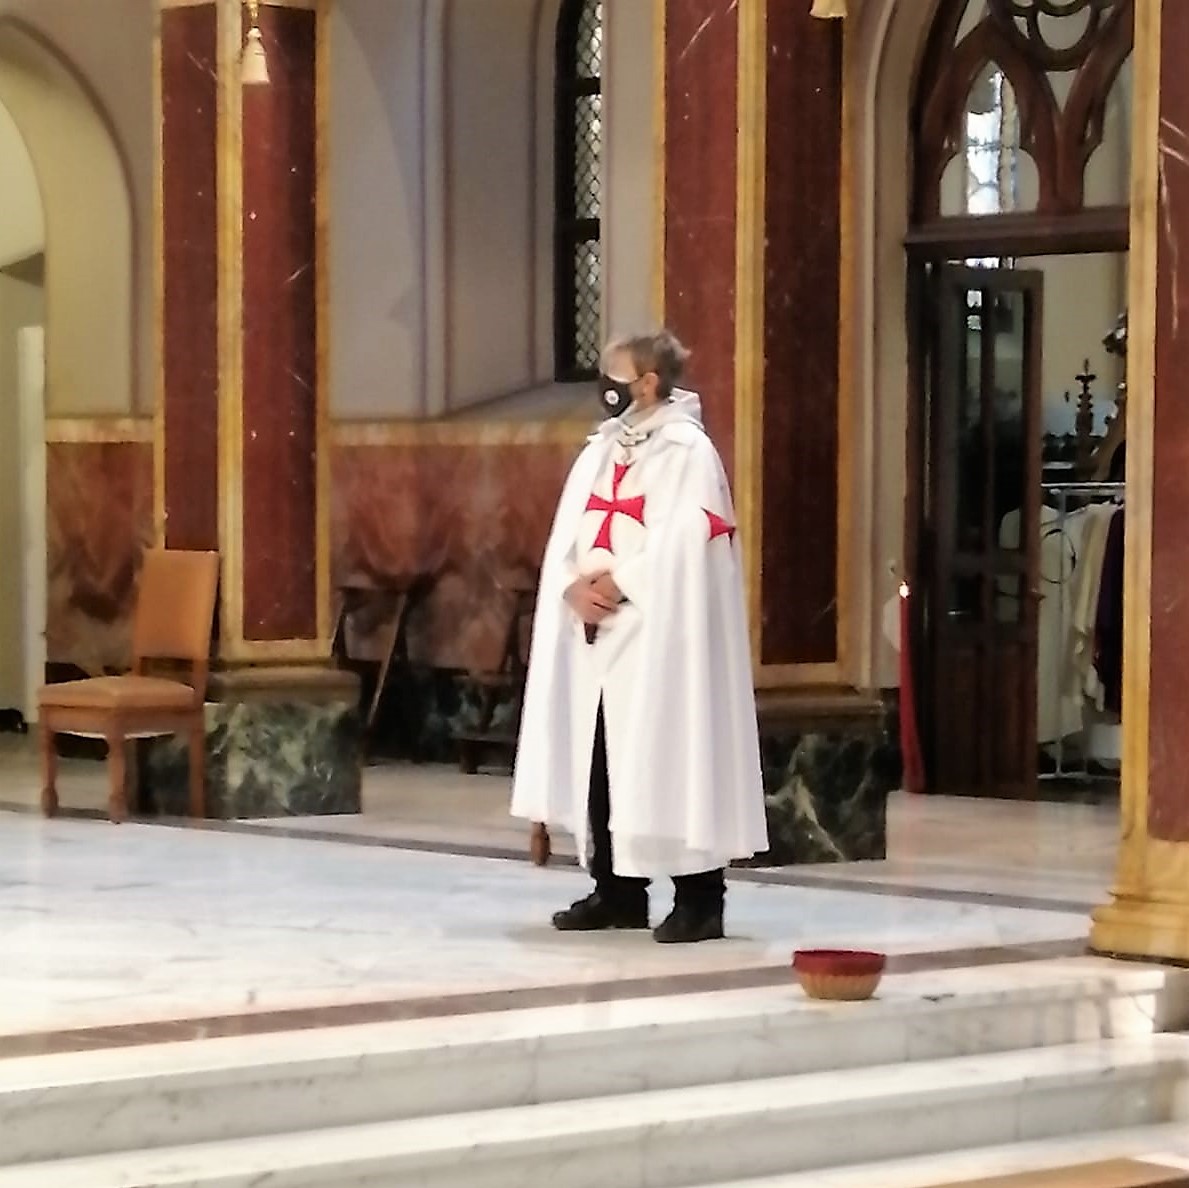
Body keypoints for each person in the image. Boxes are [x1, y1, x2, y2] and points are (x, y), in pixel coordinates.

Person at [510, 329, 769, 944]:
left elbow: (692, 538)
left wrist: (622, 582)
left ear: (649, 381)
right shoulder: (601, 449)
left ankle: (700, 900)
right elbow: (568, 535)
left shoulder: (688, 453)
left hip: (660, 638)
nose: (606, 384)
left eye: (617, 373)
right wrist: (572, 585)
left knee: (673, 756)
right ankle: (617, 890)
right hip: (597, 640)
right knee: (601, 760)